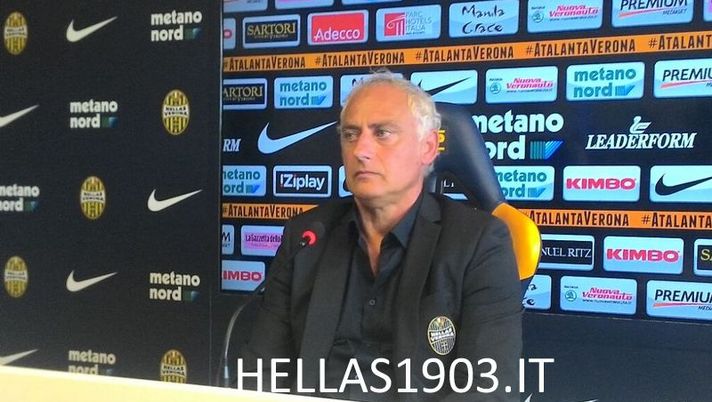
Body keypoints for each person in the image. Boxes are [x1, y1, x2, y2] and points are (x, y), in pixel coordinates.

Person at [240, 71, 522, 401]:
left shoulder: (479, 243)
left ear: (428, 147)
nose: (361, 150)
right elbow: (261, 372)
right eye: (350, 134)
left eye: (382, 133)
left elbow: (489, 390)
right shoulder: (306, 237)